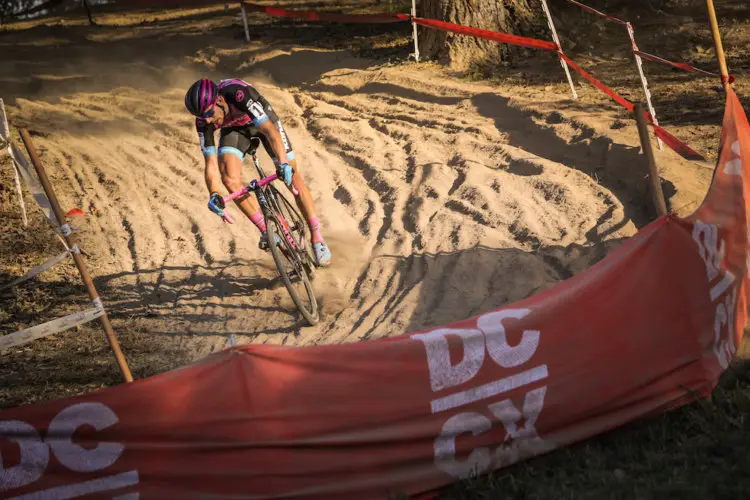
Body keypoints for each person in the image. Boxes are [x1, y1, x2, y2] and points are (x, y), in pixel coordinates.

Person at [184, 77, 332, 267]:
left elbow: (270, 132)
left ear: (220, 101)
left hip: (262, 123)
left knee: (292, 177)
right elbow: (210, 163)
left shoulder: (238, 95)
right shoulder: (204, 121)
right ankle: (266, 229)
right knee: (229, 179)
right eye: (202, 118)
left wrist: (284, 164)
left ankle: (317, 237)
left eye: (210, 114)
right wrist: (214, 193)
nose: (208, 121)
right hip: (234, 131)